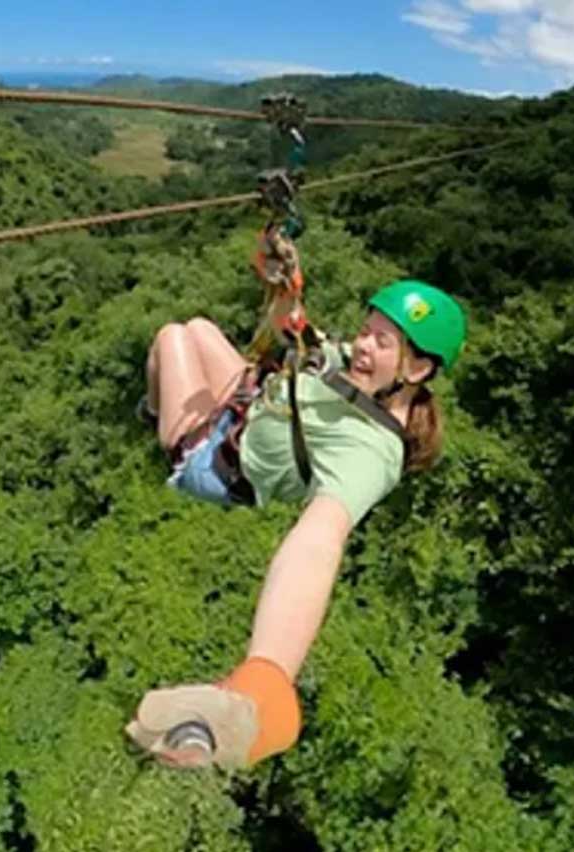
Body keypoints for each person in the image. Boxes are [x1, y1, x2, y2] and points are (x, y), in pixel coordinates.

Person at [125, 246, 467, 771]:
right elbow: (299, 332)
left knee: (170, 340)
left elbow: (319, 542)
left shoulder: (371, 454)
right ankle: (157, 399)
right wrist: (283, 275)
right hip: (250, 404)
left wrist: (267, 677)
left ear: (418, 367)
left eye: (383, 341)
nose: (364, 345)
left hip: (211, 456)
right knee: (196, 327)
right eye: (367, 328)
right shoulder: (360, 374)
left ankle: (157, 414)